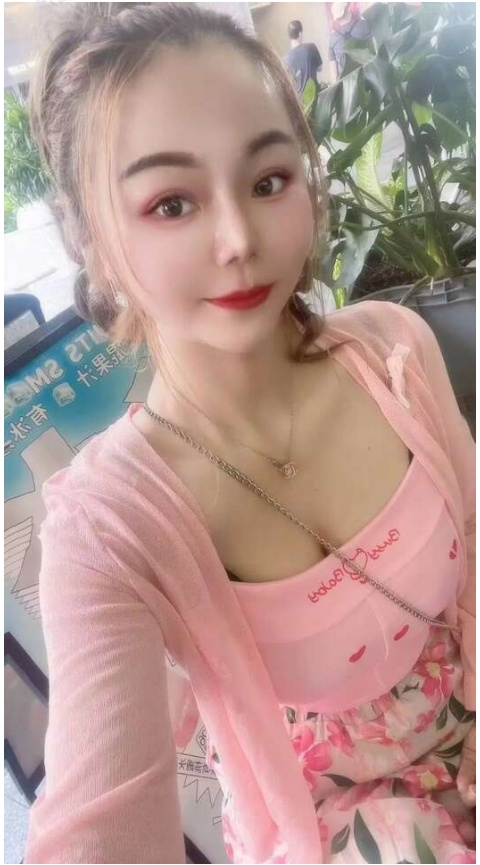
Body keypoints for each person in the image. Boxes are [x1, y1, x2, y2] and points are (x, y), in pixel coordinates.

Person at [24, 4, 475, 863]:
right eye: (171, 203)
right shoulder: (108, 531)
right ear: (93, 239)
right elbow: (97, 821)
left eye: (268, 180)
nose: (239, 239)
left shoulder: (393, 354)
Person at [329, 2, 371, 80]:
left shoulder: (333, 39)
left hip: (348, 83)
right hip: (367, 77)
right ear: (347, 9)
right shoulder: (364, 25)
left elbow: (334, 73)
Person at [284, 19, 323, 97]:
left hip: (300, 100)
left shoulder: (286, 59)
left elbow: (290, 83)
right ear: (300, 34)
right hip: (315, 95)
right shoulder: (311, 47)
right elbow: (320, 68)